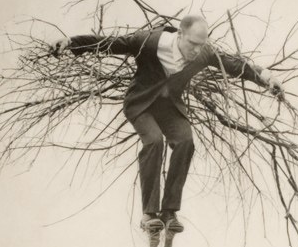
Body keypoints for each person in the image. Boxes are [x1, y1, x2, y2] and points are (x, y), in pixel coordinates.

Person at [52, 15, 284, 233]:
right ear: (180, 35)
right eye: (192, 44)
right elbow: (110, 43)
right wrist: (71, 43)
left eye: (201, 45)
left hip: (168, 107)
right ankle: (149, 214)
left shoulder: (204, 53)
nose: (196, 50)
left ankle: (170, 211)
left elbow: (233, 65)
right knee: (154, 142)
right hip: (140, 104)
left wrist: (267, 78)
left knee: (185, 142)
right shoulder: (148, 41)